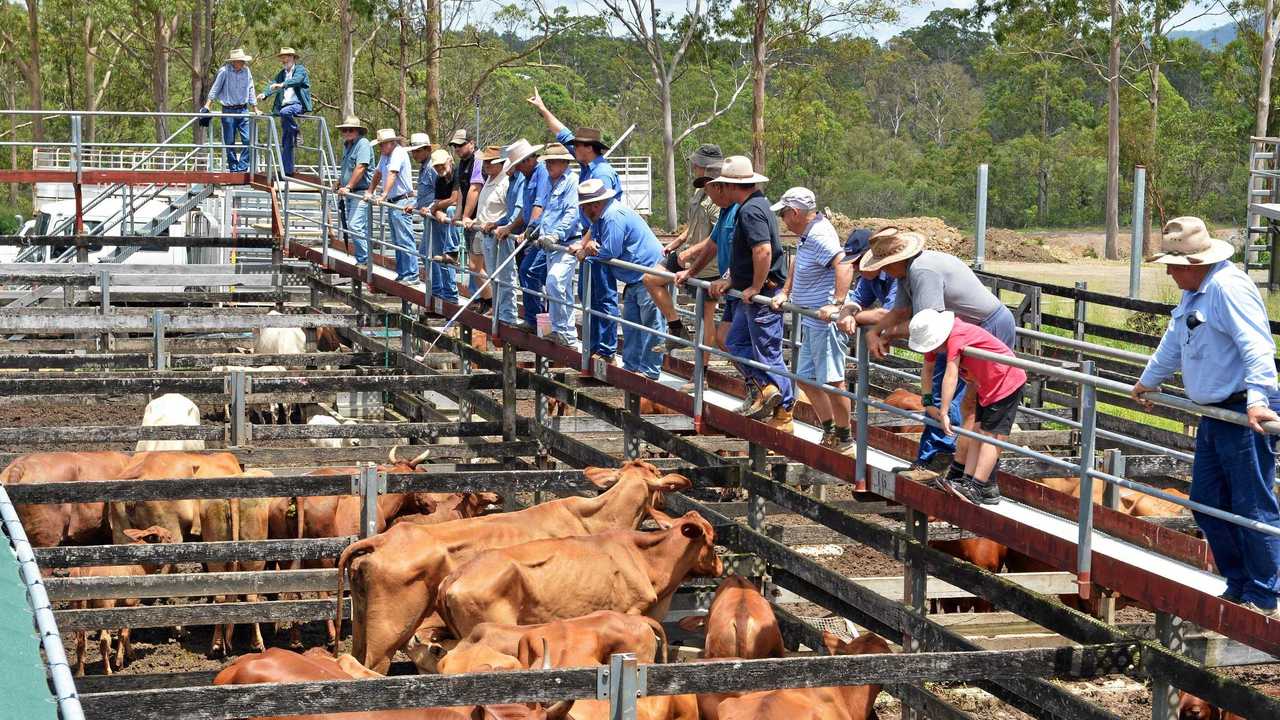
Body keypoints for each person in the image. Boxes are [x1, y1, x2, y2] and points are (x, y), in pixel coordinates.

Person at [1131, 217, 1280, 617]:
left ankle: (1265, 595)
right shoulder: (1195, 293)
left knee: (1251, 504)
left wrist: (1258, 400)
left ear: (1195, 263)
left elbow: (1257, 346)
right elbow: (1175, 341)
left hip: (1242, 410)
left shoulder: (1228, 289)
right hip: (1216, 411)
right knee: (1207, 501)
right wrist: (1149, 380)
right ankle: (1240, 582)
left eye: (1173, 265)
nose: (1168, 272)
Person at [861, 227, 1015, 485]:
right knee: (961, 399)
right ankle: (944, 462)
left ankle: (943, 460)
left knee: (969, 400)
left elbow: (926, 324)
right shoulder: (908, 273)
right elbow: (902, 310)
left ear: (896, 260)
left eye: (886, 265)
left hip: (983, 327)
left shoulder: (922, 271)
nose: (884, 271)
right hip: (958, 329)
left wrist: (886, 335)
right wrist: (875, 331)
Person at [834, 229, 965, 469]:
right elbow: (897, 313)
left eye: (857, 264)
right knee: (944, 397)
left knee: (951, 398)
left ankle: (939, 461)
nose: (854, 270)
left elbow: (916, 318)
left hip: (952, 335)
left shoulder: (916, 274)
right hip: (942, 337)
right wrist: (852, 314)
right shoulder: (898, 276)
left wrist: (877, 327)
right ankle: (941, 462)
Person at [528, 87, 621, 361]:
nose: (572, 149)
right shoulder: (588, 165)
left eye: (577, 146)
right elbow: (563, 133)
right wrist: (543, 109)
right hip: (587, 237)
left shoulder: (602, 172)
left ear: (588, 149)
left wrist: (585, 241)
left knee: (602, 295)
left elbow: (601, 212)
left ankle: (605, 350)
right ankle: (592, 346)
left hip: (599, 237)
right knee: (587, 294)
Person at [707, 156, 793, 432]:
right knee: (735, 341)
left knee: (767, 352)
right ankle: (765, 389)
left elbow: (763, 251)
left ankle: (785, 412)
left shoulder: (750, 211)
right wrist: (733, 280)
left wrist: (756, 286)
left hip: (761, 294)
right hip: (750, 292)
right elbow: (749, 255)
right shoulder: (754, 207)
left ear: (733, 186)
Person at [910, 308, 1026, 505]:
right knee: (977, 431)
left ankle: (978, 485)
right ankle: (968, 481)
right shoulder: (940, 341)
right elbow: (927, 369)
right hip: (986, 386)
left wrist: (945, 411)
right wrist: (928, 401)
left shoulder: (957, 334)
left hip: (1006, 382)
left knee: (991, 436)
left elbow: (951, 374)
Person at [768, 188, 853, 454]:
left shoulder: (819, 234)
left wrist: (837, 303)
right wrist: (786, 291)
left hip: (824, 321)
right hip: (811, 319)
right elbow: (799, 262)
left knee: (833, 381)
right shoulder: (808, 235)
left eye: (783, 214)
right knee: (804, 378)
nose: (783, 220)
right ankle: (829, 429)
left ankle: (844, 437)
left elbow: (844, 263)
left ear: (794, 212)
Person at [572, 179, 665, 378]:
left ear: (594, 205)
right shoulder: (600, 218)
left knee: (652, 325)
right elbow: (599, 246)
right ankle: (631, 367)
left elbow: (609, 251)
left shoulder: (613, 216)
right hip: (634, 278)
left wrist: (587, 252)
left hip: (650, 275)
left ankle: (650, 371)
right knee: (632, 325)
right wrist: (588, 246)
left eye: (585, 206)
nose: (584, 210)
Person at [646, 144, 723, 352]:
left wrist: (691, 251)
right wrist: (679, 242)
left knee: (705, 316)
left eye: (696, 164)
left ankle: (701, 373)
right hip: (686, 256)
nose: (694, 167)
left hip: (708, 265)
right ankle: (676, 328)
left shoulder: (719, 196)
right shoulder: (700, 191)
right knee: (650, 278)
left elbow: (719, 235)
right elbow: (695, 225)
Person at [677, 171, 739, 355]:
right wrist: (690, 272)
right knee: (724, 338)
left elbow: (757, 252)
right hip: (730, 284)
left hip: (744, 287)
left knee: (740, 342)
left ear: (720, 187)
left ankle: (766, 381)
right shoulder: (726, 212)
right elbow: (713, 242)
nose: (707, 194)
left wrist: (729, 278)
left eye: (708, 189)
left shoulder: (743, 212)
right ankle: (757, 381)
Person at [496, 138, 550, 333]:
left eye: (518, 165)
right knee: (528, 275)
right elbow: (525, 211)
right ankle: (536, 322)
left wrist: (531, 230)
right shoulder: (527, 177)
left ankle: (540, 324)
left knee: (532, 273)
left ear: (527, 160)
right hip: (529, 233)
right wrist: (511, 227)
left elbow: (539, 204)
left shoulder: (541, 173)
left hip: (540, 234)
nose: (517, 169)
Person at [537, 143, 581, 347]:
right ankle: (556, 329)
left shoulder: (572, 181)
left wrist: (555, 234)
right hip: (548, 245)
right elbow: (544, 210)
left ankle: (565, 332)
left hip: (566, 244)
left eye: (552, 162)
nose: (548, 165)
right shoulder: (547, 180)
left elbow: (572, 213)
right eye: (547, 162)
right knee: (554, 286)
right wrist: (537, 229)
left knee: (555, 282)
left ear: (564, 163)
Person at [364, 129, 418, 284]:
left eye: (382, 145)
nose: (380, 148)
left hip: (401, 200)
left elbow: (392, 173)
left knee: (404, 239)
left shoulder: (398, 153)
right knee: (397, 240)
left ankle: (411, 274)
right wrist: (370, 191)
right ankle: (403, 273)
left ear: (391, 143)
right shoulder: (386, 155)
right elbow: (378, 174)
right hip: (394, 202)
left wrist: (383, 194)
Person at [469, 146, 515, 324]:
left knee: (500, 275)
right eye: (485, 161)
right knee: (477, 267)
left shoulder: (506, 182)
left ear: (500, 163)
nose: (486, 165)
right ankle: (493, 304)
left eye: (490, 162)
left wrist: (498, 225)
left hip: (496, 235)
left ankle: (504, 313)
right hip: (482, 230)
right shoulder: (488, 178)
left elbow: (509, 211)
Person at [257, 47, 311, 177]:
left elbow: (296, 81)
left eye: (286, 57)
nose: (284, 60)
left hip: (298, 105)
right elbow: (272, 84)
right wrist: (264, 94)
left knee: (285, 112)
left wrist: (282, 85)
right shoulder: (282, 74)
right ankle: (286, 171)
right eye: (282, 58)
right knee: (286, 140)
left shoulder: (300, 70)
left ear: (292, 57)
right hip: (285, 107)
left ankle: (296, 131)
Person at [203, 49, 258, 172]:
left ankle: (242, 167)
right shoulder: (224, 71)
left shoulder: (246, 71)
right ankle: (233, 167)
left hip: (243, 110)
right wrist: (208, 105)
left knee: (248, 139)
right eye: (241, 61)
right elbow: (215, 89)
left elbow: (251, 89)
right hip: (228, 110)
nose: (243, 63)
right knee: (229, 141)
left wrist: (255, 107)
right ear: (234, 61)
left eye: (244, 61)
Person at [450, 129, 487, 308]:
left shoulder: (478, 160)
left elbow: (475, 189)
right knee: (477, 265)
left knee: (478, 265)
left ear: (471, 143)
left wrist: (465, 215)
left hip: (479, 221)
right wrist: (459, 215)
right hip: (469, 221)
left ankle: (489, 301)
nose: (457, 148)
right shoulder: (462, 164)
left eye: (460, 145)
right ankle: (481, 299)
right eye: (455, 146)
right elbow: (462, 192)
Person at [334, 116, 373, 268]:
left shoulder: (363, 144)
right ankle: (362, 259)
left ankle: (364, 260)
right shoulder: (347, 145)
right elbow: (347, 167)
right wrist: (339, 182)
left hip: (359, 192)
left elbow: (361, 167)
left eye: (351, 130)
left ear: (358, 131)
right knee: (355, 226)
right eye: (345, 130)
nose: (347, 132)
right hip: (350, 193)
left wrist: (348, 186)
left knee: (355, 225)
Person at [424, 148, 461, 302]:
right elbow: (438, 202)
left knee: (446, 255)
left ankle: (451, 295)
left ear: (450, 161)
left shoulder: (458, 173)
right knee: (437, 256)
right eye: (436, 166)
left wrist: (435, 208)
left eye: (441, 164)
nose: (439, 168)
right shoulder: (439, 179)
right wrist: (436, 210)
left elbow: (454, 199)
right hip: (443, 220)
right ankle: (444, 294)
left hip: (456, 218)